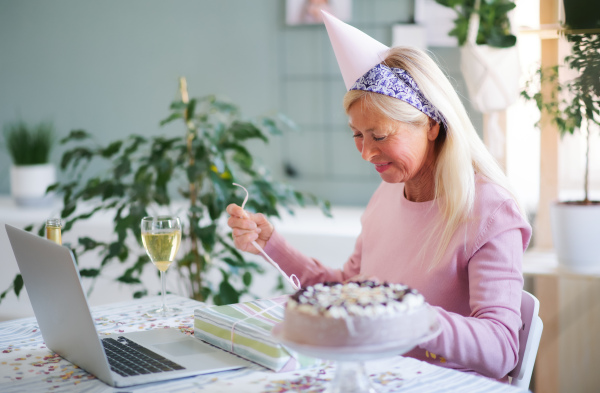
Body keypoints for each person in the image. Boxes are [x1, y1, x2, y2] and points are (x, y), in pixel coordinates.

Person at [226, 11, 531, 381]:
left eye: (381, 136)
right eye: (357, 135)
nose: (366, 153)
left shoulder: (490, 212)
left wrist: (407, 315)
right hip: (375, 378)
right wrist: (270, 244)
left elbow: (501, 350)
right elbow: (347, 292)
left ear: (432, 125)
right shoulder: (387, 196)